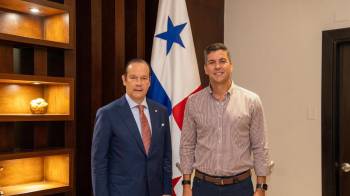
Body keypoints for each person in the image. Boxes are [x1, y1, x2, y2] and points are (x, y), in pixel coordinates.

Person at [180, 43, 270, 196]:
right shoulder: (193, 102)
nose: (217, 67)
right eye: (212, 62)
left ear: (231, 65)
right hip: (203, 187)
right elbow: (187, 145)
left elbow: (260, 146)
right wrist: (186, 185)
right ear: (205, 69)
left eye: (222, 61)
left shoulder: (251, 101)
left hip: (240, 187)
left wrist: (261, 187)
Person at [91, 58, 172, 196]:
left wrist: (166, 191)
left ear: (149, 81)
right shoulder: (107, 114)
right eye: (133, 78)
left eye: (143, 78)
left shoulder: (161, 112)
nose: (139, 83)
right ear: (124, 80)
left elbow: (166, 156)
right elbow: (99, 163)